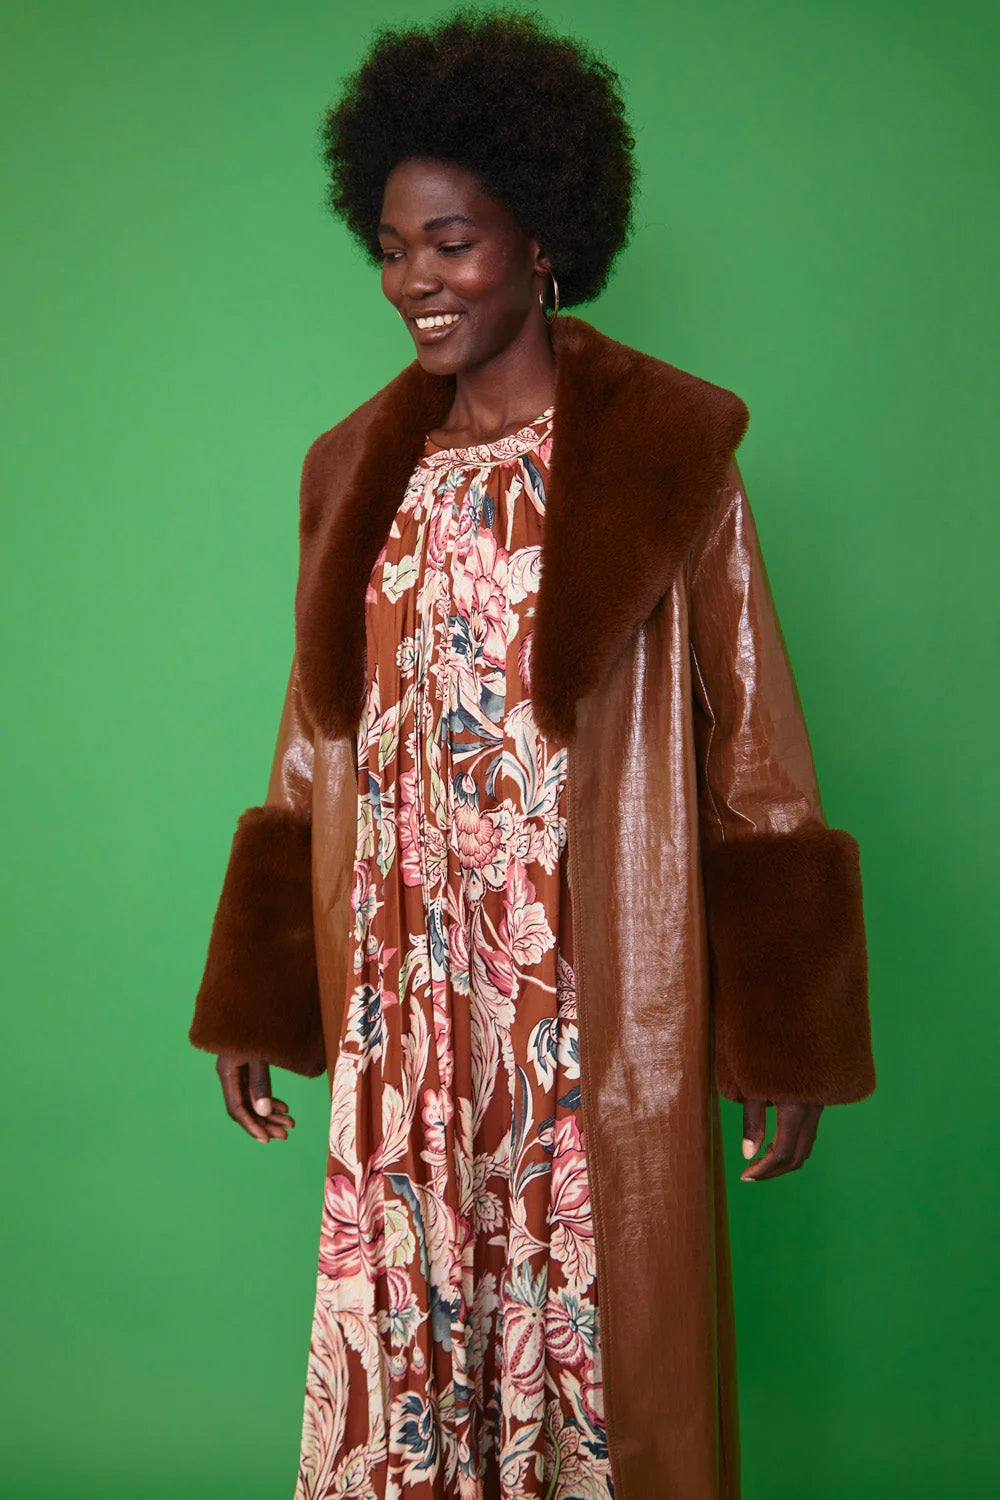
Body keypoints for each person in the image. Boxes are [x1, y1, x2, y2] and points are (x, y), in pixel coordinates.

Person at [188, 8, 876, 1498]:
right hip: (406, 1006)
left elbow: (755, 739)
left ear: (545, 239)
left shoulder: (668, 456)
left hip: (579, 1000)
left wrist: (786, 1033)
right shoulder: (353, 470)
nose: (415, 282)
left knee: (607, 1361)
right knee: (414, 1348)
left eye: (454, 242)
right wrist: (260, 991)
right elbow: (313, 736)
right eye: (393, 247)